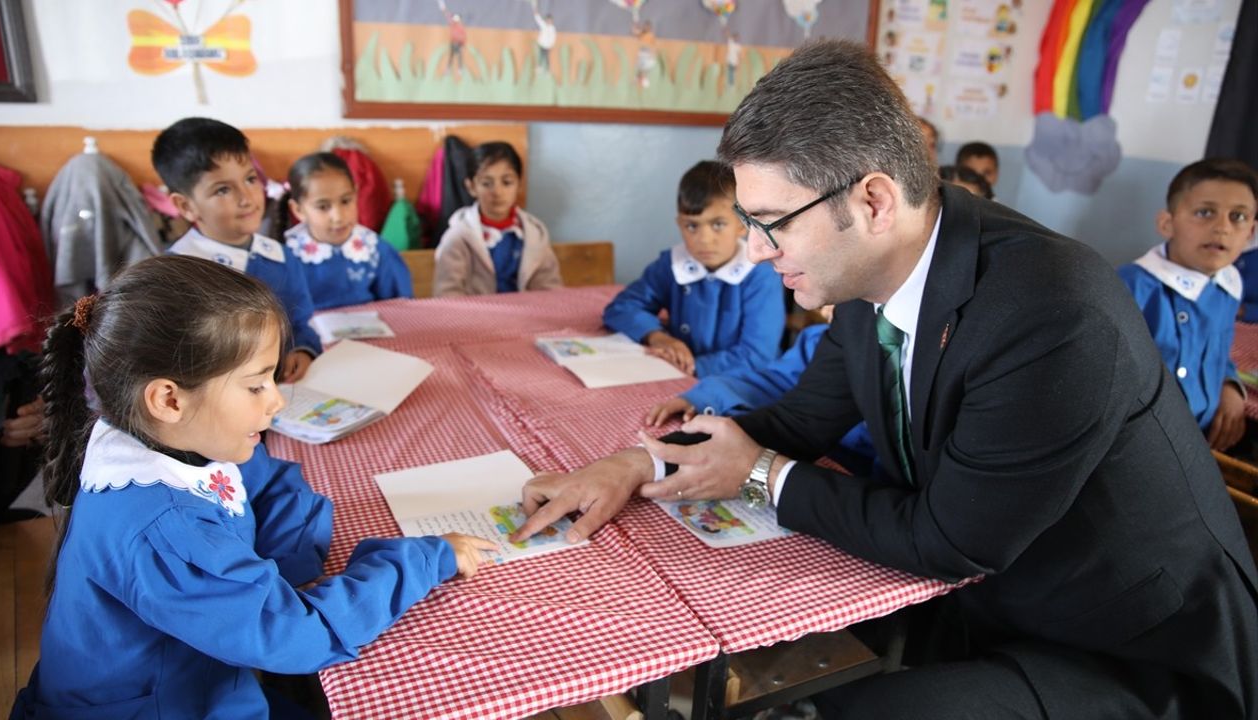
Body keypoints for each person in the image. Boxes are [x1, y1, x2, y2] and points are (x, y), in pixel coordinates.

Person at [513, 40, 1258, 719]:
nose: (760, 249)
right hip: (990, 601)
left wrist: (766, 476)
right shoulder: (876, 278)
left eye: (773, 222)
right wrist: (634, 463)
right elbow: (798, 420)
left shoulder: (1053, 311)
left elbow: (948, 537)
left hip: (1128, 651)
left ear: (871, 201)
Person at [11, 255, 495, 719]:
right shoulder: (164, 527)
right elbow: (295, 635)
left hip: (199, 684)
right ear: (168, 399)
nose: (278, 403)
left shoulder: (171, 435)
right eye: (256, 384)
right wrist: (424, 560)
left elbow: (269, 485)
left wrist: (282, 573)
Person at [153, 117, 321, 382]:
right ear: (186, 206)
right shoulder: (175, 277)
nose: (247, 197)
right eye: (222, 190)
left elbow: (300, 323)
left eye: (251, 179)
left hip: (287, 394)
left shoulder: (281, 257)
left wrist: (302, 349)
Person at [1118, 158, 1258, 452]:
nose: (1222, 228)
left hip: (1202, 437)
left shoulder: (1228, 283)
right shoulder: (1129, 288)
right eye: (1205, 212)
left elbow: (1219, 353)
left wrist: (1230, 385)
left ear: (1251, 233)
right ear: (1167, 223)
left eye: (1239, 217)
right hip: (1140, 445)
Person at [602, 160, 784, 378]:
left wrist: (691, 366)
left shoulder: (760, 276)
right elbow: (621, 307)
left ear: (741, 224)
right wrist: (658, 337)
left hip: (741, 383)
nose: (704, 239)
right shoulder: (671, 264)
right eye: (692, 226)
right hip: (675, 377)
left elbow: (758, 355)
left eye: (717, 224)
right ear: (680, 224)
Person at [644, 309, 875, 474]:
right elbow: (774, 380)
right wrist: (706, 396)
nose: (826, 312)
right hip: (808, 461)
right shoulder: (819, 342)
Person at [280, 152, 414, 309]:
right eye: (323, 206)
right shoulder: (285, 258)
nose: (338, 217)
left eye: (345, 201)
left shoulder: (377, 251)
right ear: (298, 210)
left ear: (356, 195)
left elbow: (401, 309)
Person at [433, 141, 562, 296]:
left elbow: (551, 290)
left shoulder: (535, 234)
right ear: (471, 187)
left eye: (507, 182)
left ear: (519, 184)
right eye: (487, 183)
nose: (497, 192)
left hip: (526, 317)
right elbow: (447, 294)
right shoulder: (458, 238)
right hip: (474, 318)